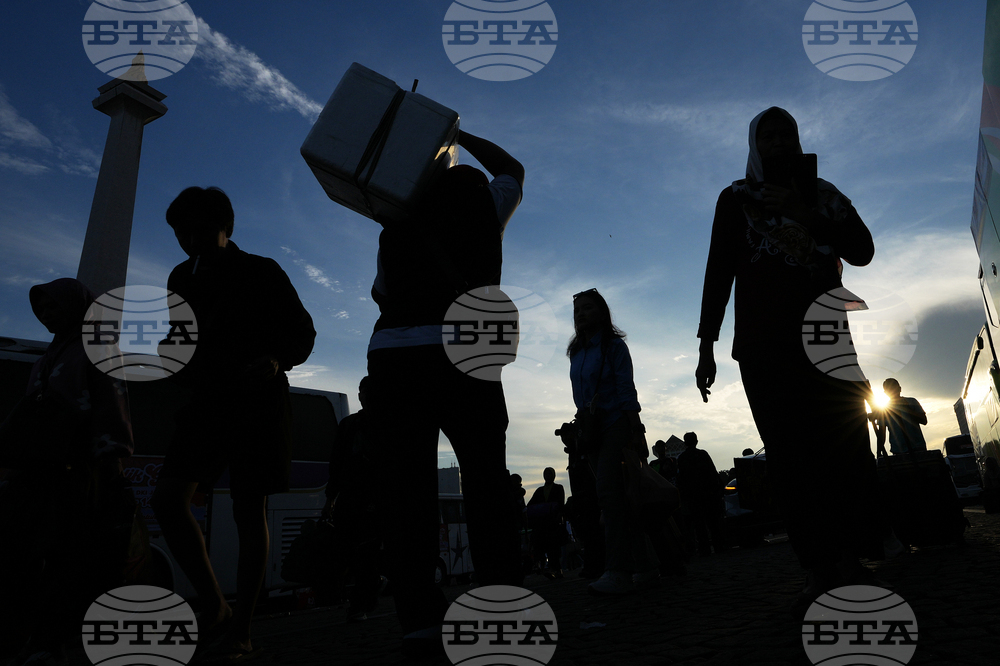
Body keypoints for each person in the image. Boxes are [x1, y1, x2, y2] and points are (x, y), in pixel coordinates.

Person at [695, 107, 887, 614]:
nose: (780, 144)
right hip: (763, 347)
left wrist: (807, 214)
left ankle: (850, 556)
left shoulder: (824, 194)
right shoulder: (735, 199)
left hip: (827, 342)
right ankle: (817, 567)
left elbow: (864, 250)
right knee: (790, 456)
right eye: (769, 136)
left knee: (846, 449)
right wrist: (705, 344)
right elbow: (719, 271)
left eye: (788, 135)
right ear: (756, 146)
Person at [364, 130, 524, 654]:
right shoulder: (483, 198)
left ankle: (419, 615)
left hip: (395, 353)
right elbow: (513, 169)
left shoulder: (395, 218)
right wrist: (460, 132)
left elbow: (382, 291)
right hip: (467, 349)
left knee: (406, 487)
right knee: (486, 480)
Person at [151, 186, 316, 661]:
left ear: (228, 227)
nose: (190, 241)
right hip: (206, 401)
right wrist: (171, 353)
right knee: (168, 500)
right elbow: (180, 337)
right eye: (182, 233)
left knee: (249, 511)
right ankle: (217, 605)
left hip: (257, 402)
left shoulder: (262, 271)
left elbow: (302, 332)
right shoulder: (181, 278)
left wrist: (276, 360)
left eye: (200, 230)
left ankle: (242, 626)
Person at [0, 278, 135, 664]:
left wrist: (110, 464)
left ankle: (51, 641)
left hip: (79, 472)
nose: (46, 315)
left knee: (68, 558)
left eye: (53, 307)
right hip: (40, 472)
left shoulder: (98, 350)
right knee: (26, 555)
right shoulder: (45, 359)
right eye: (41, 310)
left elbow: (112, 405)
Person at [569, 288, 658, 595]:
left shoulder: (613, 346)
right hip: (590, 429)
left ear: (602, 312)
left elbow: (625, 387)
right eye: (578, 309)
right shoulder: (577, 351)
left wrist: (636, 428)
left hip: (615, 424)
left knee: (609, 495)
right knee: (616, 498)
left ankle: (617, 570)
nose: (581, 313)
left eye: (588, 308)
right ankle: (646, 566)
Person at [322, 376, 383, 622]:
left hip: (369, 498)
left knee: (363, 552)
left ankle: (361, 602)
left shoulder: (373, 424)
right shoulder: (350, 425)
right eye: (363, 391)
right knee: (354, 552)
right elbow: (336, 465)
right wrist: (331, 499)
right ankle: (364, 597)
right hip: (353, 498)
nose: (365, 395)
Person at [676, 432, 725, 556]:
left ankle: (704, 548)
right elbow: (713, 472)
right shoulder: (702, 454)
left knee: (699, 524)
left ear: (685, 443)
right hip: (708, 493)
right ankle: (719, 546)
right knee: (713, 522)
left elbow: (681, 479)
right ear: (696, 441)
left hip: (693, 495)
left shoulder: (682, 458)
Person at [526, 467, 566, 578]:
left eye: (550, 473)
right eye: (546, 474)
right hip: (543, 523)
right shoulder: (539, 490)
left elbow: (561, 504)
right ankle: (552, 569)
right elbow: (530, 505)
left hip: (552, 522)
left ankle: (556, 569)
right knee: (546, 546)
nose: (548, 476)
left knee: (553, 547)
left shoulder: (558, 488)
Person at [874, 378, 927, 456]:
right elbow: (881, 434)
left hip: (918, 448)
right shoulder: (883, 410)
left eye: (894, 387)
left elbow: (924, 421)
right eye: (889, 389)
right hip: (898, 451)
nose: (892, 390)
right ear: (886, 392)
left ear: (899, 389)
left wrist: (907, 409)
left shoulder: (911, 402)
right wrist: (879, 452)